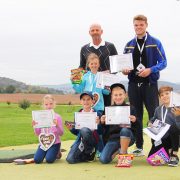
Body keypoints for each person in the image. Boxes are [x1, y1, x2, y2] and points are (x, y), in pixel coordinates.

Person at [123, 15, 167, 156]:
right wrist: (124, 70)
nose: (138, 27)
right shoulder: (129, 44)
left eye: (141, 25)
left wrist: (150, 70)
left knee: (154, 115)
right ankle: (139, 146)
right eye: (136, 25)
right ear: (133, 26)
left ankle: (157, 146)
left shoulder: (155, 42)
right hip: (133, 85)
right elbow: (124, 66)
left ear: (146, 25)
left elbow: (163, 62)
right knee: (136, 115)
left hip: (150, 84)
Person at [79, 23, 118, 106]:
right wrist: (75, 76)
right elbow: (81, 67)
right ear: (89, 32)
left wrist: (109, 72)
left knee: (106, 111)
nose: (95, 32)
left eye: (97, 30)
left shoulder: (110, 46)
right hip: (91, 87)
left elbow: (117, 65)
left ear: (101, 32)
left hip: (106, 85)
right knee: (91, 111)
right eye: (92, 30)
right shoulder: (84, 48)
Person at [99, 83, 137, 165]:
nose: (118, 97)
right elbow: (104, 129)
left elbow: (137, 127)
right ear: (112, 96)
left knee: (125, 129)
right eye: (115, 95)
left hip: (128, 137)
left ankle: (123, 153)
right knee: (103, 159)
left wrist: (135, 121)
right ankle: (119, 150)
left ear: (125, 95)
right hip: (113, 139)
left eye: (120, 94)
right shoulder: (108, 109)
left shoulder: (131, 108)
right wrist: (101, 122)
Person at [148, 86, 179, 167]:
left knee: (173, 127)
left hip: (176, 137)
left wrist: (178, 116)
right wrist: (150, 122)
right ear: (160, 98)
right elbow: (153, 119)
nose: (164, 96)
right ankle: (168, 152)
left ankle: (174, 155)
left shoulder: (178, 108)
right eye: (162, 95)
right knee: (152, 158)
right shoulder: (158, 109)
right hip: (163, 138)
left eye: (167, 93)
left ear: (172, 95)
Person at [66, 92, 101, 163]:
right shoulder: (78, 114)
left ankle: (91, 149)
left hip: (93, 140)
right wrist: (71, 129)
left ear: (93, 101)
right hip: (81, 140)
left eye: (88, 99)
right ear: (81, 102)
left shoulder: (97, 114)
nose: (86, 101)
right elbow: (77, 132)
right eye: (83, 99)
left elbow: (102, 132)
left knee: (84, 130)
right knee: (70, 159)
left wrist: (99, 124)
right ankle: (87, 155)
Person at [32, 95, 64, 164]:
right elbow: (38, 134)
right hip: (44, 142)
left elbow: (61, 133)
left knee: (49, 160)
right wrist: (35, 126)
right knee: (37, 160)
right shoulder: (40, 117)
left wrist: (57, 125)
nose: (49, 106)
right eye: (46, 104)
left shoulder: (57, 117)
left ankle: (57, 152)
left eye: (51, 104)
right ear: (43, 105)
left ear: (54, 104)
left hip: (55, 143)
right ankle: (47, 151)